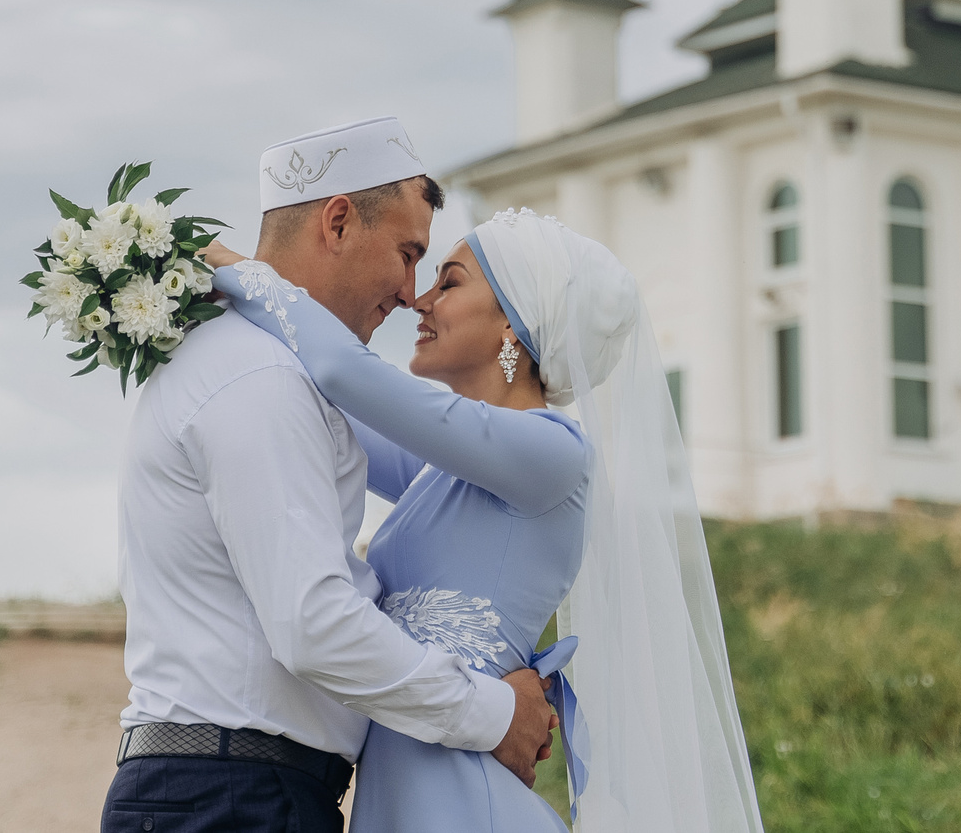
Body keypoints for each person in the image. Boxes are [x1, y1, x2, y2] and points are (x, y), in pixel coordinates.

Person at [208, 206, 764, 832]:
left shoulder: (553, 455)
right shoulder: (444, 469)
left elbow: (344, 371)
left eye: (447, 282)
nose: (419, 300)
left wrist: (236, 270)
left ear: (512, 323)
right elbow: (322, 393)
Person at [106, 117, 556, 833]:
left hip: (231, 789)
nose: (412, 293)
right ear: (338, 220)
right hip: (233, 799)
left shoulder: (260, 367)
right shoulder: (259, 377)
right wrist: (493, 711)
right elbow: (312, 622)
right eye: (408, 254)